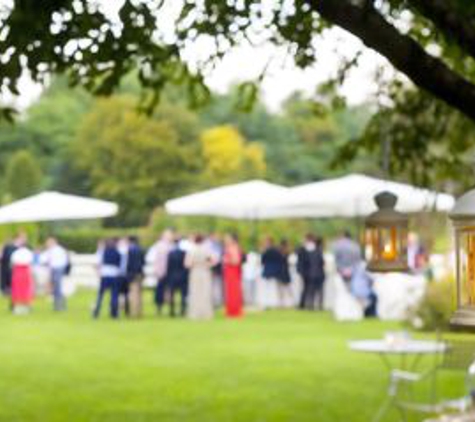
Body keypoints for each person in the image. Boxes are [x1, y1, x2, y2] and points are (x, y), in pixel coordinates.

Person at [185, 234, 215, 320]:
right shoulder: (207, 250)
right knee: (205, 292)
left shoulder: (192, 250)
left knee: (195, 292)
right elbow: (212, 262)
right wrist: (205, 264)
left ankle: (195, 313)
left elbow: (187, 264)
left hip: (195, 272)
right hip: (205, 272)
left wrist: (195, 264)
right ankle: (206, 313)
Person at [147, 229, 174, 314]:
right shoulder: (157, 246)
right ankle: (159, 308)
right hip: (161, 272)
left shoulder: (172, 246)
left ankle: (170, 309)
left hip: (170, 272)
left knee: (170, 291)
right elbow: (152, 259)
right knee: (160, 290)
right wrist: (157, 270)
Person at [93, 238, 121, 319]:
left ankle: (96, 312)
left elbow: (99, 263)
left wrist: (99, 272)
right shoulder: (118, 253)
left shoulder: (103, 252)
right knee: (114, 295)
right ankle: (114, 313)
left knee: (100, 295)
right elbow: (120, 265)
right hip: (114, 275)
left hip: (105, 275)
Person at [297, 234, 325, 310]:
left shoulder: (306, 249)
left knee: (310, 290)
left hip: (310, 273)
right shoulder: (317, 250)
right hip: (315, 273)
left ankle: (310, 305)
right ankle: (316, 306)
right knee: (315, 290)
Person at [41, 237, 69, 311]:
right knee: (54, 289)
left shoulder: (59, 250)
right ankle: (58, 306)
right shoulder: (49, 251)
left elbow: (64, 261)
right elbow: (43, 259)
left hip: (58, 269)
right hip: (52, 270)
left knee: (57, 288)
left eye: (48, 242)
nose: (47, 244)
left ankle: (59, 306)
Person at [10, 237, 34, 315]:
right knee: (25, 290)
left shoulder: (16, 252)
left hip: (17, 272)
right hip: (25, 272)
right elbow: (31, 262)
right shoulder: (28, 253)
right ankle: (26, 306)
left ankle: (15, 307)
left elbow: (12, 261)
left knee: (17, 290)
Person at [223, 233, 244, 318]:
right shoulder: (229, 248)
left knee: (234, 291)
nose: (225, 240)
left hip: (232, 272)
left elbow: (236, 261)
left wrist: (227, 261)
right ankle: (231, 310)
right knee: (230, 291)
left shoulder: (233, 248)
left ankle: (235, 311)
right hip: (229, 271)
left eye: (227, 238)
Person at [167, 237, 189, 317]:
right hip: (182, 276)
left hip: (173, 276)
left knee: (172, 295)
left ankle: (172, 311)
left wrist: (168, 277)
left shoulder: (170, 253)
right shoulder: (184, 253)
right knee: (183, 295)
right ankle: (182, 310)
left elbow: (169, 267)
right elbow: (185, 267)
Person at [259, 237, 281, 309]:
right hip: (274, 272)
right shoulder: (276, 251)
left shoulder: (266, 251)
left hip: (268, 271)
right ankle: (273, 303)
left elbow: (262, 261)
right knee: (272, 288)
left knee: (268, 288)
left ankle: (268, 303)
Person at [126, 236, 145, 318]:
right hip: (140, 273)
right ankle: (139, 312)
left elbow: (128, 263)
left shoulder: (130, 250)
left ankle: (133, 313)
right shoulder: (141, 250)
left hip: (132, 274)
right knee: (139, 294)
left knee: (133, 294)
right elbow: (143, 262)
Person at [276, 239, 293, 308]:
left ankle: (283, 303)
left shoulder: (281, 252)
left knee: (283, 289)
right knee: (286, 289)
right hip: (283, 272)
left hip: (282, 272)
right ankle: (286, 303)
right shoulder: (285, 253)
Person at [117, 237, 130, 317]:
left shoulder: (128, 253)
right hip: (118, 275)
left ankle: (127, 310)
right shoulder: (117, 252)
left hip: (126, 275)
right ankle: (118, 309)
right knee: (118, 294)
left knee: (126, 293)